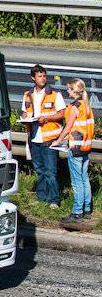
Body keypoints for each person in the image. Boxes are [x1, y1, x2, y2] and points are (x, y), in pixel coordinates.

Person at [21, 65, 67, 205]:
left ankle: (54, 199)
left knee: (51, 172)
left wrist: (46, 118)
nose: (42, 78)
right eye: (39, 76)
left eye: (44, 76)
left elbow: (62, 113)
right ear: (33, 78)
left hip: (49, 139)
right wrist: (24, 116)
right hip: (34, 138)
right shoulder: (28, 94)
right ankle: (42, 198)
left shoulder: (54, 94)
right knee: (40, 170)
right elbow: (24, 111)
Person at [57, 78, 94, 228]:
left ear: (74, 90)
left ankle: (77, 212)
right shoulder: (86, 105)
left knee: (76, 182)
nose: (67, 91)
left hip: (76, 148)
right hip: (86, 147)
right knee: (84, 179)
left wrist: (58, 141)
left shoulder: (74, 107)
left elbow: (68, 128)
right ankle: (86, 210)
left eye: (69, 89)